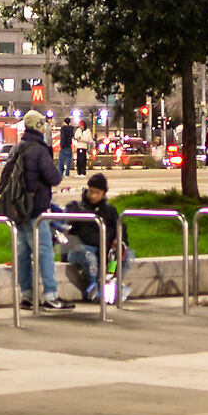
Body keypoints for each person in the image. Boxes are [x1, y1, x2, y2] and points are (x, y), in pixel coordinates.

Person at [12, 108, 73, 309]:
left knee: (23, 252)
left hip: (18, 208)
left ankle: (27, 294)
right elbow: (54, 178)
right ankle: (50, 294)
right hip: (36, 209)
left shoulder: (18, 148)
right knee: (45, 251)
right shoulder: (38, 149)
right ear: (38, 126)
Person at [63, 169, 131, 302]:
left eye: (97, 193)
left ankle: (109, 286)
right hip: (80, 249)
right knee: (90, 259)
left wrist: (118, 239)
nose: (93, 196)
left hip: (104, 250)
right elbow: (73, 230)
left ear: (104, 193)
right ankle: (96, 290)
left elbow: (121, 228)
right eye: (91, 191)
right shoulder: (77, 208)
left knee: (124, 256)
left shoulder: (109, 211)